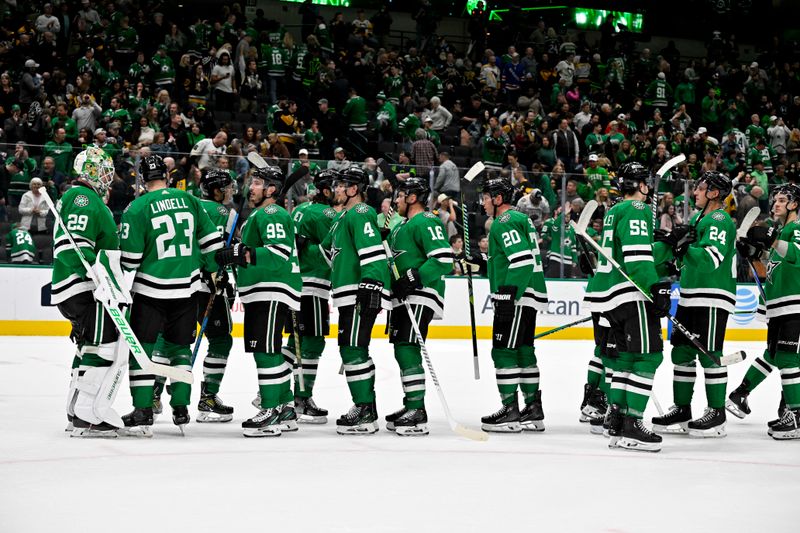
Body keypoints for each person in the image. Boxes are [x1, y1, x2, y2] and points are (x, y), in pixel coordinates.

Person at [118, 155, 224, 436]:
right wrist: (215, 273)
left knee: (142, 349)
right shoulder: (190, 200)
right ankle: (180, 406)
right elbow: (212, 243)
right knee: (179, 349)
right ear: (166, 175)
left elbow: (130, 259)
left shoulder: (137, 207)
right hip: (187, 290)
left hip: (151, 290)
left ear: (142, 178)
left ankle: (143, 409)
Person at [583, 161, 672, 452]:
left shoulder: (614, 211)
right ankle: (633, 425)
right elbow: (636, 258)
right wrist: (655, 287)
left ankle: (617, 422)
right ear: (643, 186)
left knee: (624, 361)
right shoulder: (637, 209)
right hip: (631, 293)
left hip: (610, 297)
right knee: (648, 358)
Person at [216, 166, 302, 437]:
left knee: (265, 351)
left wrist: (241, 252)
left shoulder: (272, 212)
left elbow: (278, 252)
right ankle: (284, 408)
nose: (250, 187)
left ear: (271, 190)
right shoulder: (260, 213)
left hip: (270, 288)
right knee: (270, 350)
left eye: (256, 183)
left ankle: (270, 411)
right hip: (264, 289)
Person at [651, 171, 735, 438]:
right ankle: (683, 409)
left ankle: (717, 413)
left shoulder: (719, 219)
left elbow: (711, 259)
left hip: (711, 295)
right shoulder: (699, 219)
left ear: (713, 192)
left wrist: (683, 247)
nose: (694, 192)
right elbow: (685, 259)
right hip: (689, 294)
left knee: (709, 354)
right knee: (682, 353)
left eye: (700, 188)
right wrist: (671, 249)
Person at [51, 147, 121, 437]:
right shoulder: (82, 197)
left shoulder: (88, 199)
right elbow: (71, 247)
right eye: (103, 168)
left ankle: (75, 408)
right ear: (90, 170)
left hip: (80, 286)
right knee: (102, 343)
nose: (108, 174)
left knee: (89, 345)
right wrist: (95, 268)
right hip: (81, 286)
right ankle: (86, 414)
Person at [320, 166, 391, 434]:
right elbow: (327, 252)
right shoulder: (342, 219)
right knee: (352, 348)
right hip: (347, 292)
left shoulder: (361, 212)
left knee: (353, 348)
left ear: (353, 190)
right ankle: (366, 407)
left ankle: (364, 410)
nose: (336, 189)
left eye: (341, 185)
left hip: (361, 289)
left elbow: (371, 252)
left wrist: (372, 281)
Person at [732, 184, 800, 440]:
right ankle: (786, 409)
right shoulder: (782, 231)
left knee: (788, 359)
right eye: (775, 201)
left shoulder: (796, 228)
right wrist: (753, 254)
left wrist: (771, 241)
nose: (776, 204)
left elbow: (797, 255)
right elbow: (769, 270)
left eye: (783, 200)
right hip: (779, 303)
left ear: (794, 204)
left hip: (795, 302)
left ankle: (795, 415)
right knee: (777, 355)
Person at [385, 177, 453, 435]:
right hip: (404, 296)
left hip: (421, 292)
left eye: (401, 196)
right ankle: (411, 404)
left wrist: (413, 278)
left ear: (412, 198)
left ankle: (417, 409)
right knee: (402, 347)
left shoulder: (426, 220)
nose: (397, 201)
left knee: (408, 346)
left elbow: (444, 258)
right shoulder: (400, 226)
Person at [480, 176, 548, 432]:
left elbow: (521, 260)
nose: (484, 203)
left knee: (504, 351)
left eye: (486, 198)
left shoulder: (503, 221)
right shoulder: (520, 219)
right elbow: (512, 257)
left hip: (517, 296)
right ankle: (532, 409)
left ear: (498, 199)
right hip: (528, 294)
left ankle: (510, 410)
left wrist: (508, 294)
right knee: (523, 351)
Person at [283, 169, 343, 423]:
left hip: (294, 283)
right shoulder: (326, 214)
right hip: (314, 284)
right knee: (314, 342)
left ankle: (277, 391)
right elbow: (336, 248)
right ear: (327, 191)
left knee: (293, 343)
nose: (340, 191)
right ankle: (301, 398)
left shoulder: (299, 209)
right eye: (337, 187)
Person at [191, 169, 239, 422]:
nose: (230, 192)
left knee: (171, 340)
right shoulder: (225, 214)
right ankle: (208, 397)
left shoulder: (191, 205)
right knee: (221, 341)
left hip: (181, 285)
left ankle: (153, 395)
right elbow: (221, 251)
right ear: (217, 191)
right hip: (209, 285)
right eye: (227, 188)